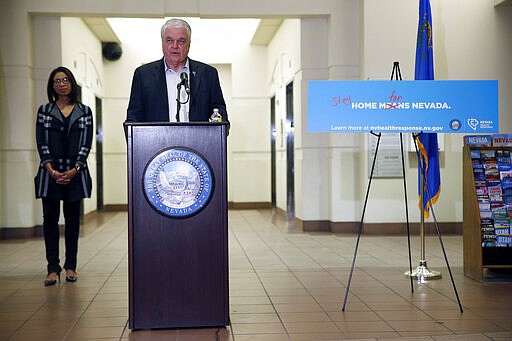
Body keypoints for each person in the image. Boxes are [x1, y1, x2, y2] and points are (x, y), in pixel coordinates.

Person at [34, 66, 93, 286]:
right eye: (57, 81)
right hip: (50, 173)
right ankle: (52, 268)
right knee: (50, 221)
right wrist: (51, 170)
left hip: (75, 173)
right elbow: (41, 142)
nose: (61, 84)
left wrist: (75, 169)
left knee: (72, 222)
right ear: (52, 85)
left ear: (72, 83)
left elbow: (86, 144)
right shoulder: (44, 110)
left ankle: (70, 267)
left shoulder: (84, 111)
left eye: (65, 80)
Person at [125, 18, 228, 124]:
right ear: (162, 43)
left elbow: (220, 115)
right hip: (157, 140)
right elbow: (133, 118)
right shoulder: (143, 75)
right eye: (169, 40)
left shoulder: (208, 74)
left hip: (199, 140)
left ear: (189, 44)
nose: (175, 46)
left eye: (181, 41)